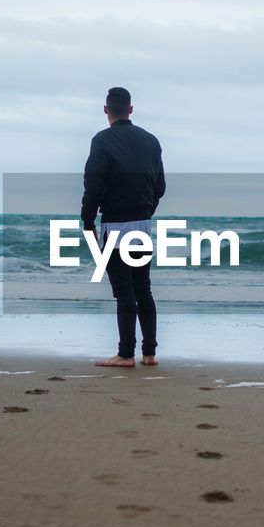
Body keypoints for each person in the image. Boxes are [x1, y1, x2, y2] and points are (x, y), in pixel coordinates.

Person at [81, 87, 166, 368]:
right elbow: (160, 186)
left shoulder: (102, 140)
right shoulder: (151, 141)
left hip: (115, 225)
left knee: (123, 292)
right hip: (142, 225)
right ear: (131, 109)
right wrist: (145, 211)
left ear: (106, 110)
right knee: (144, 289)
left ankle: (126, 354)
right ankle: (150, 353)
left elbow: (93, 183)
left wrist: (87, 220)